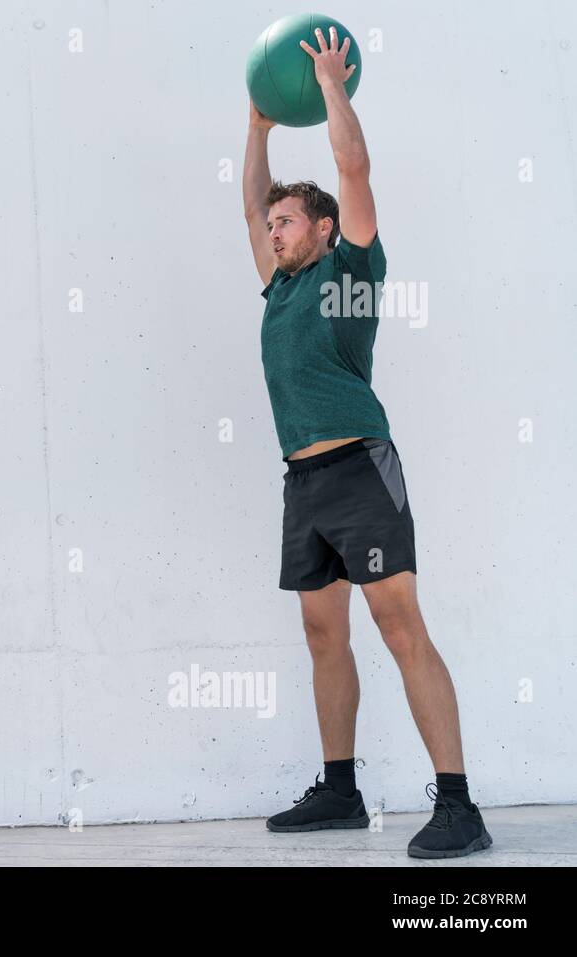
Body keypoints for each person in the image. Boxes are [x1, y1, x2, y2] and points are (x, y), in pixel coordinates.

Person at [241, 26, 491, 858]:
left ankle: (459, 804)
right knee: (322, 635)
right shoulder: (278, 289)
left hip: (359, 468)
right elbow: (247, 204)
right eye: (271, 222)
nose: (272, 230)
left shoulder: (350, 271)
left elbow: (354, 171)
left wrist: (329, 85)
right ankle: (341, 790)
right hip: (301, 483)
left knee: (399, 626)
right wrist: (258, 127)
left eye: (286, 220)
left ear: (320, 228)